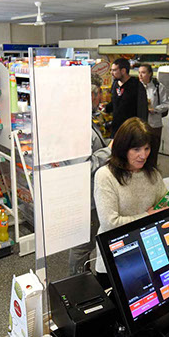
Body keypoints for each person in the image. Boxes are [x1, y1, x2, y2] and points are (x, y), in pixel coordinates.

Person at [93, 118, 167, 287]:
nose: (143, 155)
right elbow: (110, 224)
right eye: (136, 149)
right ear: (123, 148)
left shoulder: (152, 174)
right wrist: (147, 216)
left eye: (147, 148)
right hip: (116, 258)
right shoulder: (105, 176)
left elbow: (162, 208)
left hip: (148, 253)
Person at [66, 83, 112, 277]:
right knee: (82, 245)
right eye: (99, 96)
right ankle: (76, 283)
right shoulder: (80, 127)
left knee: (86, 242)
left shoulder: (84, 121)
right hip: (86, 198)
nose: (101, 100)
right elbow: (83, 166)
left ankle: (83, 280)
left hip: (88, 194)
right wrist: (109, 151)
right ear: (91, 97)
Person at [103, 58, 147, 137]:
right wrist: (106, 108)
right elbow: (115, 103)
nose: (111, 73)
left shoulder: (136, 85)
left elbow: (143, 110)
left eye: (114, 70)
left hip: (131, 130)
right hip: (116, 130)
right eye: (111, 70)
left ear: (123, 71)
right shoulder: (115, 84)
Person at [137, 64, 169, 171]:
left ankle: (152, 172)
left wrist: (155, 109)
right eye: (139, 72)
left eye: (143, 72)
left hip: (154, 124)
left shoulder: (158, 87)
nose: (140, 75)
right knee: (140, 151)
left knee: (153, 151)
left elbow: (166, 104)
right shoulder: (137, 87)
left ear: (150, 74)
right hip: (140, 124)